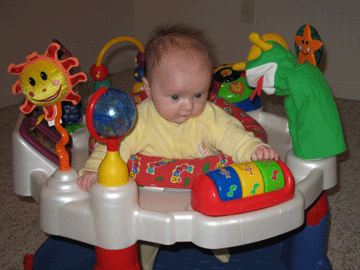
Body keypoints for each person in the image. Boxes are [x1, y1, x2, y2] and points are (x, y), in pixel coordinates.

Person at [77, 24, 279, 269]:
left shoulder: (208, 115)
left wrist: (252, 149)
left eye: (198, 95)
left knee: (216, 222)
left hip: (206, 189)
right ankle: (145, 253)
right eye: (175, 97)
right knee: (145, 228)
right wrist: (94, 169)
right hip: (150, 196)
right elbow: (114, 146)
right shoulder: (139, 119)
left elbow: (231, 133)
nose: (188, 106)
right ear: (149, 89)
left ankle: (218, 242)